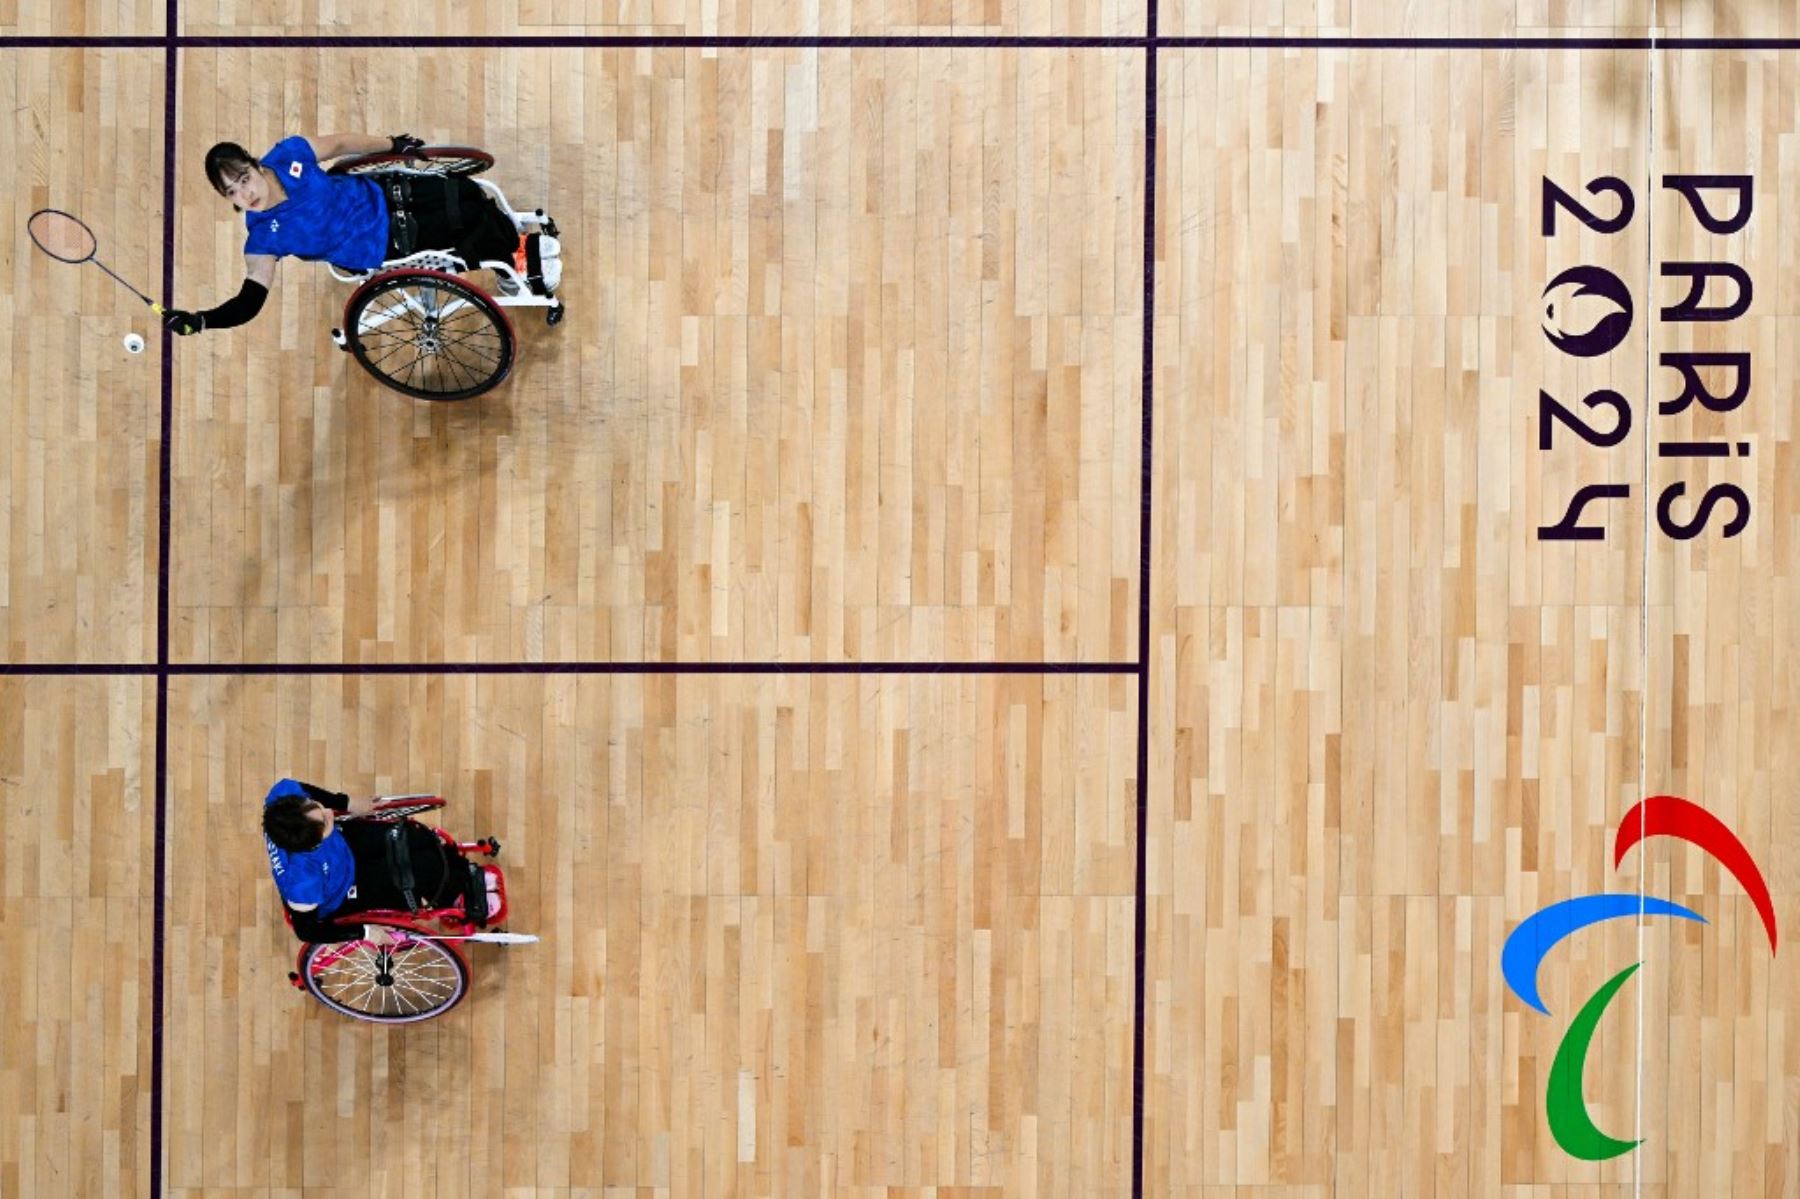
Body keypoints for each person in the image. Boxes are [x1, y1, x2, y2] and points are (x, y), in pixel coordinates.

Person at [164, 132, 560, 336]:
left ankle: (517, 244)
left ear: (254, 163)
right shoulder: (264, 238)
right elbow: (249, 300)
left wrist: (395, 145)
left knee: (467, 193)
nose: (245, 195)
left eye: (244, 179)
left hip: (384, 192)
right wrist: (203, 321)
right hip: (384, 243)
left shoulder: (287, 155)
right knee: (465, 224)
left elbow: (339, 143)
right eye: (231, 192)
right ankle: (515, 263)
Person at [261, 778, 486, 944]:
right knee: (418, 870)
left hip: (342, 845)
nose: (330, 812)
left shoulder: (282, 798)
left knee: (410, 835)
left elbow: (305, 791)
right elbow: (307, 932)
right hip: (340, 891)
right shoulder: (303, 884)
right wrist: (365, 932)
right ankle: (454, 896)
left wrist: (346, 802)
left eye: (318, 807)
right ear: (313, 845)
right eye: (324, 822)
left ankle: (458, 869)